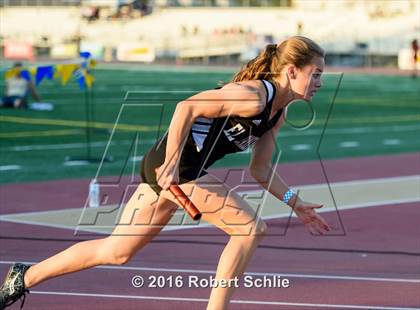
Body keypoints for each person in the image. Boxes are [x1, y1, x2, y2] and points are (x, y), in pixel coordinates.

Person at [0, 36, 330, 310]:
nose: (320, 82)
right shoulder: (251, 97)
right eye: (315, 74)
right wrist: (171, 163)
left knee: (117, 252)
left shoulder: (277, 114)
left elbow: (259, 169)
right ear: (290, 71)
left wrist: (294, 202)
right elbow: (185, 108)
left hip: (180, 172)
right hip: (173, 168)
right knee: (250, 229)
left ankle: (23, 276)